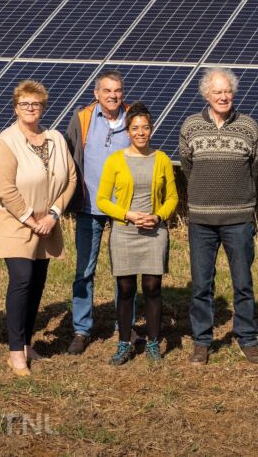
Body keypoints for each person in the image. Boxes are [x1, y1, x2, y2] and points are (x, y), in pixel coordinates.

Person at [0, 80, 77, 377]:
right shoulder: (7, 141)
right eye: (25, 104)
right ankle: (15, 353)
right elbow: (4, 188)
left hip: (47, 222)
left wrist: (53, 214)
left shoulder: (55, 139)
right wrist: (29, 218)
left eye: (36, 104)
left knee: (38, 280)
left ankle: (26, 343)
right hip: (13, 221)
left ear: (43, 108)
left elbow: (71, 179)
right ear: (16, 107)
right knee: (22, 279)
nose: (30, 109)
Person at [179, 67, 258, 366]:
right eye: (217, 92)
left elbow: (254, 169)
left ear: (234, 93)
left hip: (238, 219)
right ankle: (202, 341)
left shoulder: (250, 127)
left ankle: (247, 338)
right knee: (202, 284)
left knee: (243, 282)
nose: (223, 96)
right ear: (207, 95)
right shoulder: (190, 126)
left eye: (227, 91)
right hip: (201, 220)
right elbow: (187, 167)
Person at [96, 102, 178, 365]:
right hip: (124, 232)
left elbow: (172, 198)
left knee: (152, 286)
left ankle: (153, 342)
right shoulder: (115, 161)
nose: (141, 132)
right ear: (127, 132)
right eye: (135, 128)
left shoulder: (162, 159)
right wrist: (127, 215)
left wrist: (158, 216)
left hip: (154, 232)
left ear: (151, 129)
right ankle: (124, 342)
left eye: (145, 127)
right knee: (126, 287)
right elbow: (102, 200)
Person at [64, 70, 133, 355]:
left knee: (125, 270)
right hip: (89, 206)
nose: (113, 95)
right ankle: (82, 329)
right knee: (84, 270)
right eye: (107, 91)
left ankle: (125, 326)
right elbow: (68, 157)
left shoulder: (133, 118)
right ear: (96, 94)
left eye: (117, 90)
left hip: (124, 209)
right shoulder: (82, 119)